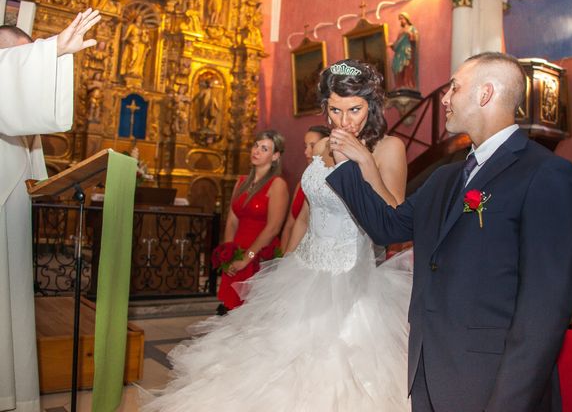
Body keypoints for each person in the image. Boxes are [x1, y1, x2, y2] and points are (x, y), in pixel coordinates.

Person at [143, 59, 411, 411]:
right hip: (302, 273)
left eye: (355, 110)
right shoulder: (320, 148)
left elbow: (394, 216)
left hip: (351, 279)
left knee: (332, 375)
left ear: (371, 105)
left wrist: (364, 162)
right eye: (335, 110)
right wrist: (287, 260)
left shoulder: (388, 147)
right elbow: (305, 216)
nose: (344, 121)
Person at [327, 52, 572, 412]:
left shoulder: (546, 174)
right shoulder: (445, 177)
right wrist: (348, 168)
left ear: (485, 94)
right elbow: (388, 227)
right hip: (428, 371)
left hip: (492, 383)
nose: (444, 98)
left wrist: (509, 402)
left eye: (454, 87)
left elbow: (544, 309)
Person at [0, 9, 100, 412]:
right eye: (19, 60)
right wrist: (53, 48)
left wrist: (55, 55)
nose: (28, 68)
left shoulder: (20, 123)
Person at [216, 130, 289, 313]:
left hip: (259, 255)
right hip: (237, 253)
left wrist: (247, 258)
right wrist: (228, 252)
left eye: (264, 149)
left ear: (275, 156)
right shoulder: (240, 182)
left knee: (250, 313)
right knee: (229, 311)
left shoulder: (277, 184)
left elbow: (273, 228)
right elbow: (232, 221)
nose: (256, 151)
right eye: (256, 145)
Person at [280, 124, 330, 250]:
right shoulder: (301, 184)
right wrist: (284, 256)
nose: (306, 152)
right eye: (305, 146)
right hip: (293, 251)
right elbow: (290, 224)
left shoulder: (331, 184)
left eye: (312, 146)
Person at [390, 12, 418, 90]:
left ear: (406, 19)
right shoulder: (400, 31)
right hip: (399, 53)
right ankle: (400, 86)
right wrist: (392, 45)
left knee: (407, 67)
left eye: (402, 18)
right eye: (400, 19)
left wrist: (409, 33)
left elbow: (415, 39)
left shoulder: (412, 28)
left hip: (407, 51)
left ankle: (407, 85)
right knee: (397, 67)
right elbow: (397, 43)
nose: (401, 20)